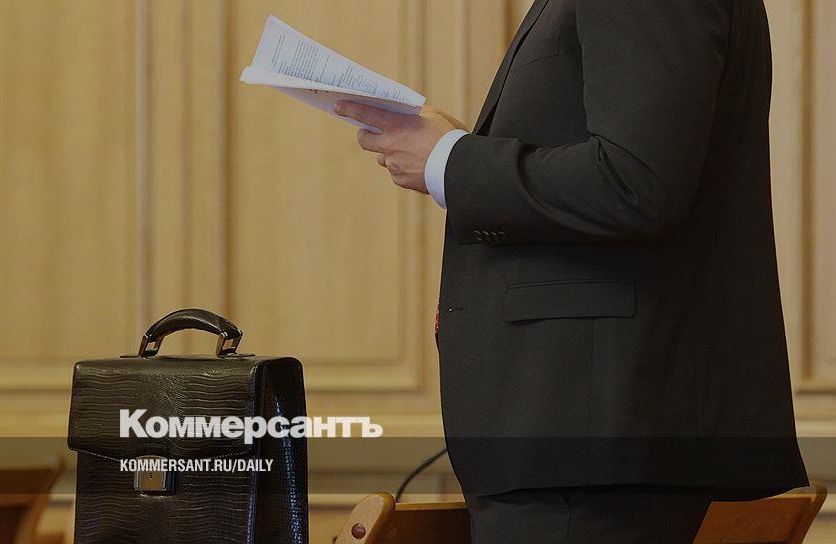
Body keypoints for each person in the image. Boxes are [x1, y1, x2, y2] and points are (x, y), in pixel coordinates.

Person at [334, 0, 808, 542]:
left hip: (592, 434)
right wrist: (461, 154)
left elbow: (635, 184)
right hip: (588, 434)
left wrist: (452, 161)